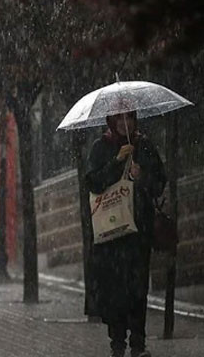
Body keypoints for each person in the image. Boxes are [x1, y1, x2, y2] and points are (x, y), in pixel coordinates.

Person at [86, 111, 166, 357]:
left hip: (138, 231)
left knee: (138, 288)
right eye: (119, 119)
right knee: (115, 290)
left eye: (129, 118)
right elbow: (92, 183)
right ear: (111, 121)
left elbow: (160, 182)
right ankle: (117, 343)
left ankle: (138, 344)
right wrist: (116, 163)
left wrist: (142, 177)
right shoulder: (101, 147)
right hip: (112, 234)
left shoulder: (144, 145)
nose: (124, 123)